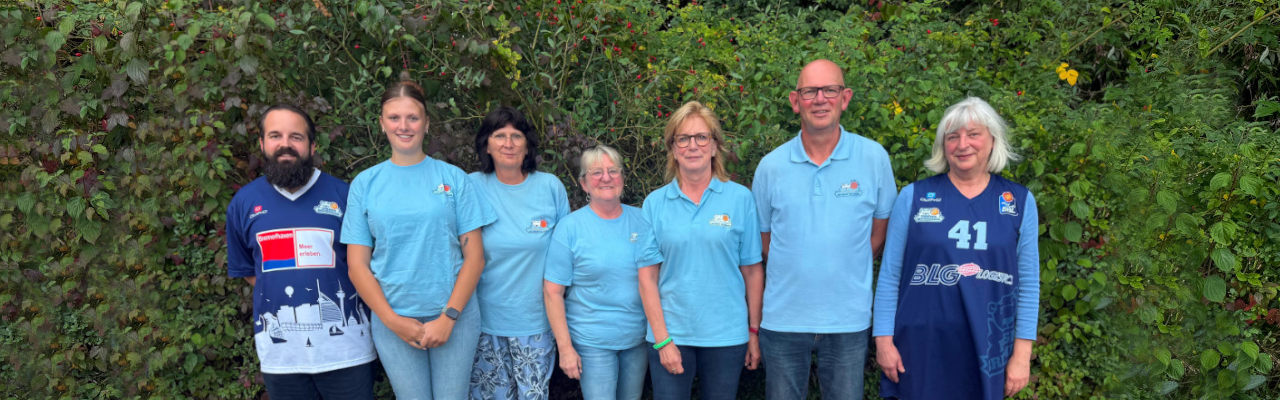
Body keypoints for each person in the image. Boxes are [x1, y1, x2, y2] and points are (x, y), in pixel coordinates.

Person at [872, 96, 1040, 400]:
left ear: (992, 140)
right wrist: (883, 340)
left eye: (973, 134)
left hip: (987, 348)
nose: (963, 144)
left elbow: (1028, 285)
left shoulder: (1018, 201)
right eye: (953, 137)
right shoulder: (914, 197)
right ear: (943, 145)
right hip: (919, 347)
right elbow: (890, 276)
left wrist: (1022, 354)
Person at [750, 59, 897, 400]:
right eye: (810, 91)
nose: (820, 99)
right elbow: (764, 241)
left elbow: (879, 234)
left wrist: (844, 263)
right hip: (783, 319)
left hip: (848, 319)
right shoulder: (770, 167)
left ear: (845, 98)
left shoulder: (874, 158)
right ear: (795, 101)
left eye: (830, 90)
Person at [341, 80, 495, 399]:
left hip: (455, 316)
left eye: (412, 117)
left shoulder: (454, 178)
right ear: (382, 123)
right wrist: (392, 320)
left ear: (426, 123)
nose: (404, 126)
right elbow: (357, 266)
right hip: (393, 318)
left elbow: (475, 257)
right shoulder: (365, 184)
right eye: (394, 117)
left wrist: (449, 317)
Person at [226, 104, 376, 399]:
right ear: (262, 143)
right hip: (282, 358)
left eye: (296, 137)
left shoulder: (344, 196)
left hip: (348, 353)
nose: (286, 144)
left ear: (312, 145)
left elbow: (366, 265)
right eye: (275, 136)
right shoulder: (243, 203)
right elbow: (250, 272)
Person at [638, 101, 764, 400]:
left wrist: (753, 332)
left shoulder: (740, 199)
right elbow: (647, 277)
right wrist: (662, 340)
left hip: (727, 336)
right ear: (673, 149)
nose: (692, 145)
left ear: (714, 146)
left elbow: (752, 270)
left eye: (701, 137)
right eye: (683, 138)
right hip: (671, 335)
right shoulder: (655, 203)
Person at [543, 145, 664, 400]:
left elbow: (655, 278)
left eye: (613, 171)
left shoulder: (643, 220)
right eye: (596, 172)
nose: (606, 178)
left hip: (636, 339)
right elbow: (553, 292)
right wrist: (565, 348)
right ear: (584, 184)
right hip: (592, 342)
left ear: (622, 178)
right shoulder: (569, 228)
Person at [467, 106, 570, 399]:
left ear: (527, 145)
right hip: (483, 325)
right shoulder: (471, 186)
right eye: (500, 135)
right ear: (486, 145)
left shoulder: (550, 187)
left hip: (536, 325)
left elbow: (566, 259)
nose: (508, 143)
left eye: (516, 136)